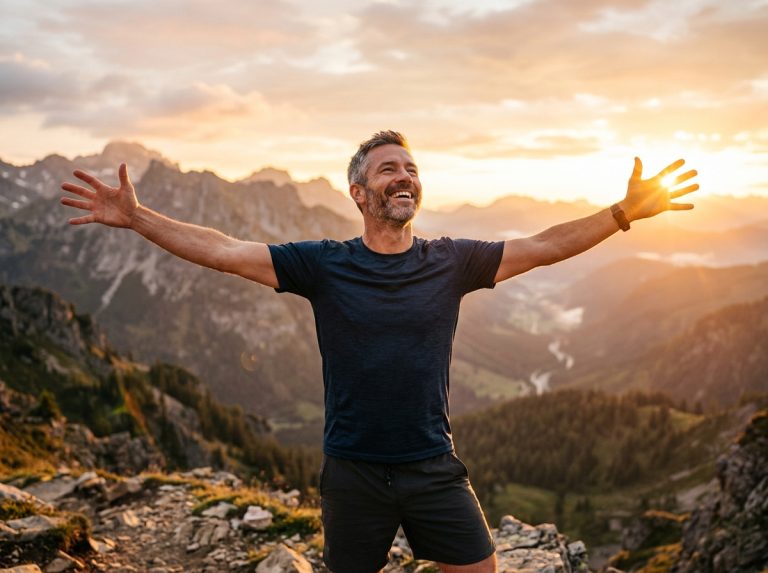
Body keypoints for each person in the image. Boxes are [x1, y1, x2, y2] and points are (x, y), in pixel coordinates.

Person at [61, 131, 698, 573]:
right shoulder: (322, 264)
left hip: (431, 465)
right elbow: (224, 250)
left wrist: (622, 213)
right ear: (360, 194)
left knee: (480, 567)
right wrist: (139, 219)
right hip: (353, 472)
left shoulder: (452, 260)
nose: (405, 176)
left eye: (412, 168)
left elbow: (544, 245)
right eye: (389, 169)